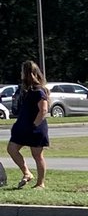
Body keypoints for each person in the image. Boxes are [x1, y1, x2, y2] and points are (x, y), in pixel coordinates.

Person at [7, 59, 50, 189]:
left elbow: (43, 110)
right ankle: (27, 173)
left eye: (22, 71)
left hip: (35, 128)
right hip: (23, 127)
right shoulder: (27, 90)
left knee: (37, 155)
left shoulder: (38, 91)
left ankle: (40, 183)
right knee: (12, 149)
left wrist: (35, 125)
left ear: (28, 73)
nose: (21, 74)